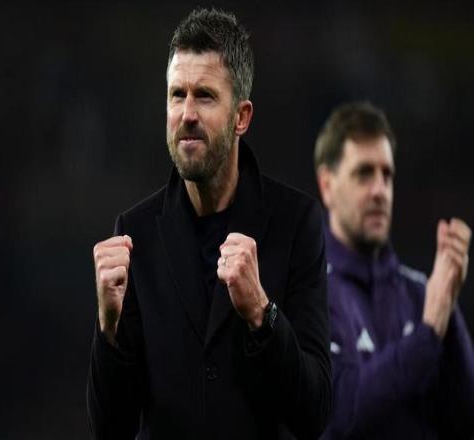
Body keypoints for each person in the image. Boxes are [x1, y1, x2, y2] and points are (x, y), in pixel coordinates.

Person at [86, 8, 331, 440]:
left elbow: (314, 414)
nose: (187, 113)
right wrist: (108, 329)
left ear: (241, 117)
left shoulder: (297, 225)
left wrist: (263, 314)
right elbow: (112, 429)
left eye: (204, 96)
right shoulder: (134, 235)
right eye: (176, 95)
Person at [314, 101, 474, 439]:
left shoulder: (420, 293)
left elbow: (464, 414)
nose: (379, 191)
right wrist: (428, 334)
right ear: (327, 185)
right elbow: (338, 413)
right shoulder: (308, 294)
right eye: (364, 173)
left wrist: (448, 306)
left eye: (386, 175)